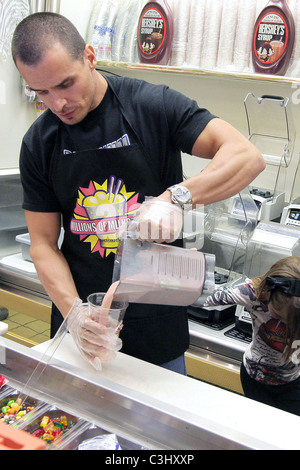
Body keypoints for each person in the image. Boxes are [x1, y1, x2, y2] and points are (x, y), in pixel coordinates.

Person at [11, 12, 265, 373]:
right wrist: (76, 315)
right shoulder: (40, 142)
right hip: (83, 326)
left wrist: (176, 198)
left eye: (65, 84)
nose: (57, 104)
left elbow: (246, 156)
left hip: (157, 327)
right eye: (41, 92)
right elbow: (42, 244)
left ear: (89, 56)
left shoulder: (152, 106)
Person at [203, 256, 300, 415]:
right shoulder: (252, 293)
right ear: (269, 294)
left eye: (288, 318)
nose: (281, 321)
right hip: (255, 378)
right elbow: (205, 297)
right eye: (277, 313)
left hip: (293, 382)